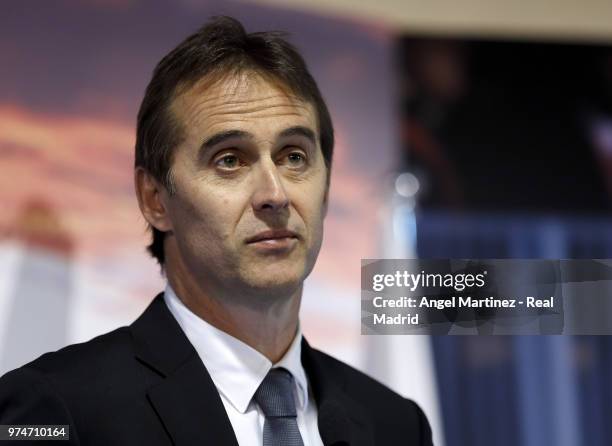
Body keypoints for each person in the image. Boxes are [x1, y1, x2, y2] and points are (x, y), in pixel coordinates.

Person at [0, 16, 433, 445]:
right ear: (155, 199)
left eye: (294, 156)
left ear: (326, 187)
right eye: (230, 159)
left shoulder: (395, 424)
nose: (275, 194)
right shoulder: (56, 407)